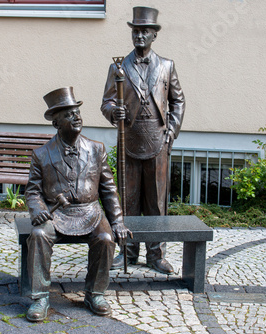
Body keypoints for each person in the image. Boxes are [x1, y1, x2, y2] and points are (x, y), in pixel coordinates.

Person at [25, 87, 131, 322]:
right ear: (56, 123)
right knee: (39, 235)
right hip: (58, 213)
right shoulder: (41, 155)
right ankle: (40, 297)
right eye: (69, 114)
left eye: (78, 112)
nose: (77, 117)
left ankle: (95, 294)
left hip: (90, 212)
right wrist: (39, 209)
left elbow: (108, 189)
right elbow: (32, 191)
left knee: (105, 238)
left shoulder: (96, 149)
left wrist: (118, 221)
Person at [101, 6, 185, 275]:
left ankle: (156, 254)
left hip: (158, 142)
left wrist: (171, 132)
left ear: (154, 36)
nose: (139, 36)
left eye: (144, 32)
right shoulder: (118, 66)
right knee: (128, 199)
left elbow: (178, 101)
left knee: (157, 201)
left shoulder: (167, 66)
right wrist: (115, 111)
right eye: (135, 31)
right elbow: (106, 102)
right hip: (129, 140)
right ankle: (126, 250)